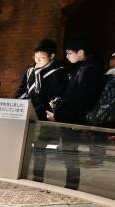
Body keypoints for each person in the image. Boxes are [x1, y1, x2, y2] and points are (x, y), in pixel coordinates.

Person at [47, 35, 103, 189]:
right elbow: (72, 96)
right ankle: (70, 185)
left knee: (71, 155)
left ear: (80, 52)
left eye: (69, 52)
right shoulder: (81, 68)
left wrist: (58, 115)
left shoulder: (90, 70)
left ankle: (71, 186)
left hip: (76, 122)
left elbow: (81, 100)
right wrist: (58, 106)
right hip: (70, 119)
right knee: (69, 155)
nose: (67, 56)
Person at [15, 39, 68, 120]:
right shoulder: (30, 71)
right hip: (27, 114)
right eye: (36, 57)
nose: (37, 61)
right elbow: (21, 91)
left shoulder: (59, 72)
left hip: (45, 116)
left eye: (42, 58)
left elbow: (56, 97)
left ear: (51, 56)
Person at [86, 51, 115, 128]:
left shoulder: (112, 74)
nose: (111, 61)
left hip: (105, 121)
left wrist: (93, 118)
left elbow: (106, 101)